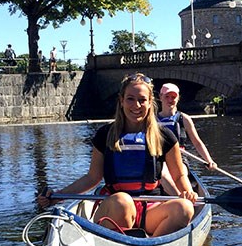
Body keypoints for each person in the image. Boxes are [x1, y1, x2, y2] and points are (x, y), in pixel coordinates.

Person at [37, 73, 196, 237]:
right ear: (121, 100)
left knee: (184, 208)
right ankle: (125, 241)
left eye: (142, 100)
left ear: (150, 103)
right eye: (130, 99)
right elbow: (92, 178)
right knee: (123, 201)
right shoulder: (105, 134)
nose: (136, 105)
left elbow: (178, 176)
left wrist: (187, 192)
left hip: (150, 207)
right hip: (115, 207)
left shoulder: (165, 137)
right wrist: (57, 196)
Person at [157, 83, 217, 194]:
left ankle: (186, 196)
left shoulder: (184, 119)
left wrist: (209, 160)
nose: (170, 100)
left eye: (173, 97)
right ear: (160, 97)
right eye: (167, 96)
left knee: (181, 172)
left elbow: (197, 142)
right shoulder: (152, 120)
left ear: (178, 98)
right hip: (158, 158)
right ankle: (179, 197)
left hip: (179, 158)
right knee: (162, 171)